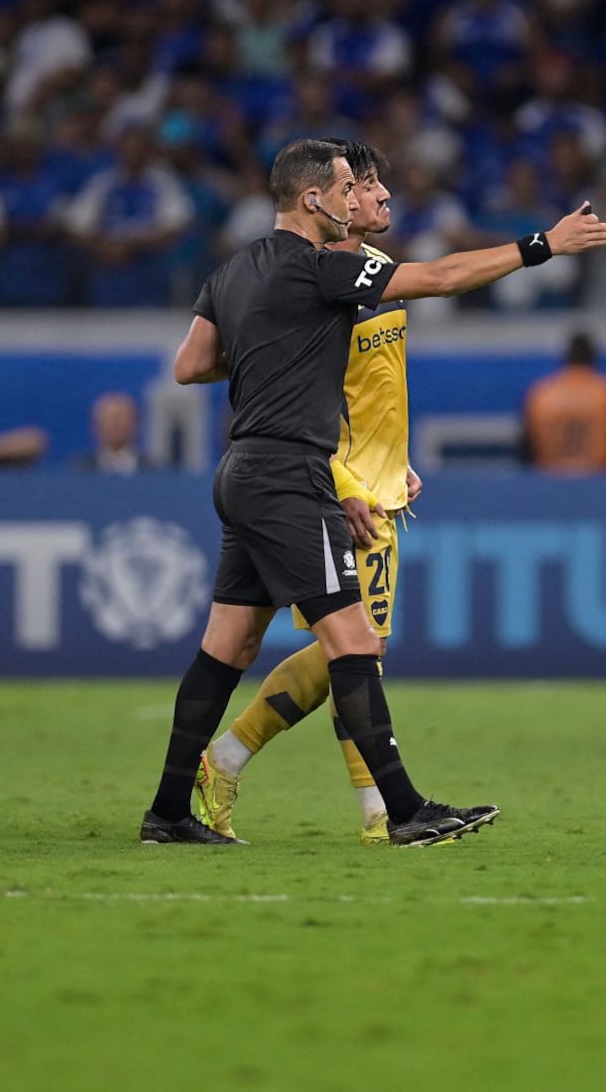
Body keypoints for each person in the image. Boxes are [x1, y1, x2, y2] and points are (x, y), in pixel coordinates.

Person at [146, 137, 606, 848]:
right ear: (313, 200)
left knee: (227, 647)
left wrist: (270, 359)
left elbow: (191, 365)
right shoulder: (324, 268)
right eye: (343, 189)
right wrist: (541, 245)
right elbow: (442, 276)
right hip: (291, 476)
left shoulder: (234, 270)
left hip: (242, 468)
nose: (352, 200)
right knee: (356, 641)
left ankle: (169, 812)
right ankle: (402, 812)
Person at [195, 141, 423, 846]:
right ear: (336, 200)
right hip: (329, 484)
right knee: (355, 647)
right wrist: (351, 481)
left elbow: (371, 389)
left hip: (375, 483)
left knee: (350, 647)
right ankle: (376, 812)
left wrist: (396, 460)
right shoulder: (320, 284)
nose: (383, 196)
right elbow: (301, 391)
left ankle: (225, 761)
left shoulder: (376, 274)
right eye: (368, 184)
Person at [520, 330, 606, 474]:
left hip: (550, 481)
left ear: (565, 357)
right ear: (595, 358)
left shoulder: (540, 393)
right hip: (600, 481)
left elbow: (527, 449)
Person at [79, 391, 145, 473]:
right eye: (109, 419)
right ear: (96, 425)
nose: (115, 424)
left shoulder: (152, 469)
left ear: (135, 424)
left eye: (121, 418)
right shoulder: (81, 469)